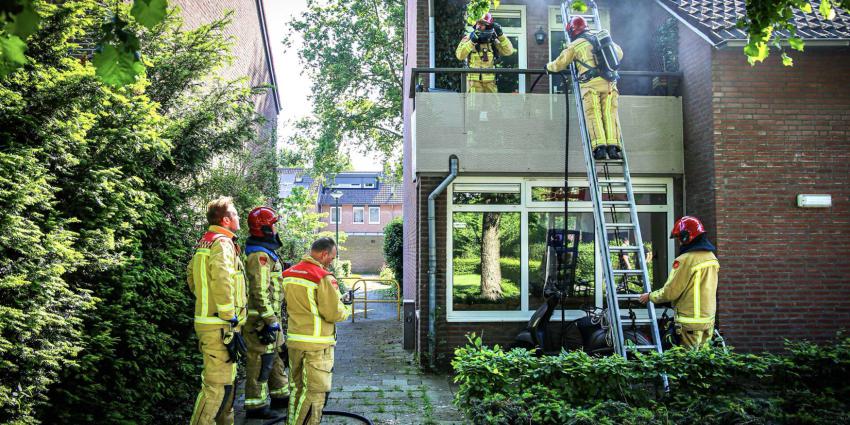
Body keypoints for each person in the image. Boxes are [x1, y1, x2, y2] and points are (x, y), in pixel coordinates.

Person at [187, 197, 248, 425]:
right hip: (220, 326)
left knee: (226, 382)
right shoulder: (222, 243)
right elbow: (222, 279)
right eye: (234, 213)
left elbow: (191, 278)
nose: (238, 216)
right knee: (216, 386)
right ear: (225, 219)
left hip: (211, 322)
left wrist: (207, 303)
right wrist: (227, 314)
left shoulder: (205, 241)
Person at [283, 237, 352, 425]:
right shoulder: (323, 277)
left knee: (297, 389)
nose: (332, 261)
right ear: (324, 254)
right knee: (315, 393)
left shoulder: (289, 273)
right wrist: (346, 308)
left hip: (295, 341)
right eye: (332, 257)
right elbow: (333, 313)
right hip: (317, 344)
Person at [546, 16, 624, 160]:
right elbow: (619, 53)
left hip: (590, 85)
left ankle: (600, 148)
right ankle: (613, 148)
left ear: (572, 31)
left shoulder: (575, 45)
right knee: (609, 113)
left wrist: (548, 67)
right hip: (610, 84)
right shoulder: (602, 38)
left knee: (594, 114)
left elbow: (560, 63)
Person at [639, 216, 719, 349]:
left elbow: (670, 292)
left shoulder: (685, 260)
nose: (679, 243)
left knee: (687, 363)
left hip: (689, 323)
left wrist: (650, 296)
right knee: (704, 362)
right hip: (708, 320)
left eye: (679, 239)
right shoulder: (711, 258)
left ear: (686, 237)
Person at [243, 207, 290, 418]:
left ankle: (281, 396)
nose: (275, 227)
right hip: (259, 321)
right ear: (264, 228)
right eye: (273, 224)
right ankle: (256, 406)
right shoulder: (259, 255)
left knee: (275, 357)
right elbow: (259, 291)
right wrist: (270, 319)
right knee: (259, 361)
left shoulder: (265, 251)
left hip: (270, 318)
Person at [455, 12, 515, 93]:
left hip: (490, 83)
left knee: (493, 105)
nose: (479, 26)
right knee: (474, 106)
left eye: (483, 23)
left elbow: (509, 51)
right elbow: (459, 56)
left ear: (489, 26)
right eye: (478, 23)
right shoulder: (469, 38)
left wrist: (500, 35)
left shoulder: (493, 40)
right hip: (473, 83)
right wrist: (472, 42)